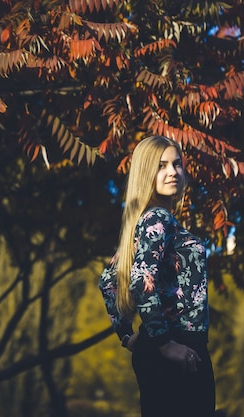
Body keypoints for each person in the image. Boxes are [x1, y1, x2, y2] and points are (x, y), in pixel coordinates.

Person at [98, 136, 215, 417]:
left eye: (176, 164)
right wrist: (164, 344)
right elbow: (140, 279)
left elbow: (107, 281)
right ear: (145, 171)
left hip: (164, 349)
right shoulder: (157, 219)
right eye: (161, 166)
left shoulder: (146, 221)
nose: (172, 172)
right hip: (179, 349)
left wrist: (129, 336)